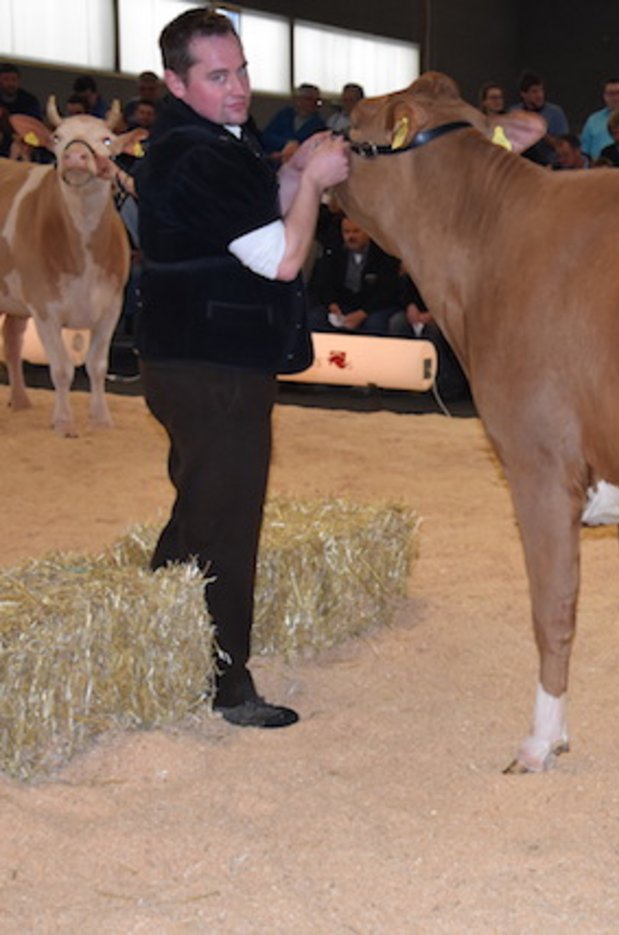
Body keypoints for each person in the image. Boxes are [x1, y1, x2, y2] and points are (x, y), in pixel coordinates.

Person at [136, 8, 350, 728]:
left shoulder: (210, 139)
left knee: (202, 501)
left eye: (242, 70)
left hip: (198, 358)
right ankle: (228, 686)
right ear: (176, 82)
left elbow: (251, 212)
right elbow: (282, 257)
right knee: (228, 523)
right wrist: (313, 183)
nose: (238, 87)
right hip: (212, 365)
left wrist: (290, 171)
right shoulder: (195, 154)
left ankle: (149, 623)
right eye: (217, 75)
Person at [307, 217, 400, 334]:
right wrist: (332, 304)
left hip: (373, 308)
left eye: (356, 231)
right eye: (346, 232)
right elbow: (323, 283)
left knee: (375, 323)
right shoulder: (334, 253)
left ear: (368, 232)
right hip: (342, 305)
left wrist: (363, 313)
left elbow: (387, 291)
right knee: (315, 318)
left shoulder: (383, 255)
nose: (351, 236)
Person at [260, 83, 326, 164]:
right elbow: (267, 136)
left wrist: (291, 150)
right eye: (309, 99)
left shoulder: (319, 125)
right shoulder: (285, 115)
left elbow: (315, 148)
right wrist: (286, 143)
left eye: (317, 101)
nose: (314, 104)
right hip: (273, 159)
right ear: (298, 100)